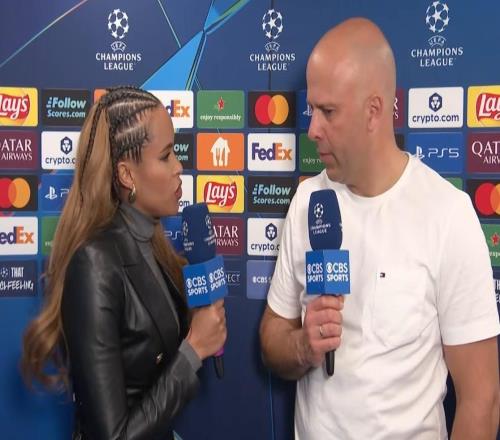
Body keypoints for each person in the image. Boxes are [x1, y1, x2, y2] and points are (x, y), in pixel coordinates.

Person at [260, 17, 500, 439]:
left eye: (328, 112)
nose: (312, 129)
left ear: (373, 111)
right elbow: (272, 339)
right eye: (312, 109)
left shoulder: (447, 215)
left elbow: (481, 400)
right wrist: (303, 346)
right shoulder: (308, 202)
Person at [21, 86, 227, 439]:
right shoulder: (94, 264)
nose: (179, 167)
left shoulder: (154, 248)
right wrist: (193, 350)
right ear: (127, 175)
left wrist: (199, 320)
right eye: (165, 156)